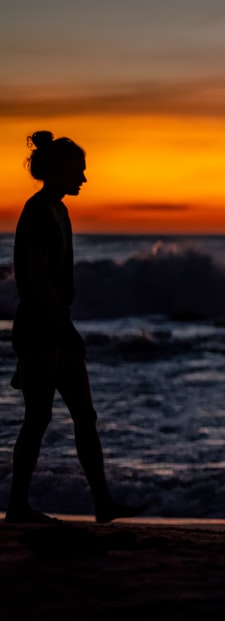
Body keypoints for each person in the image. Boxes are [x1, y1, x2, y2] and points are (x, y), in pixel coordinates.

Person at [4, 131, 145, 524]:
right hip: (41, 327)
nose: (83, 178)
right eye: (78, 171)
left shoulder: (57, 211)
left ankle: (102, 504)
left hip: (52, 325)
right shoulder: (38, 212)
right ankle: (17, 507)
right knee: (37, 418)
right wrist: (65, 329)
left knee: (85, 415)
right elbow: (37, 278)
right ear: (59, 170)